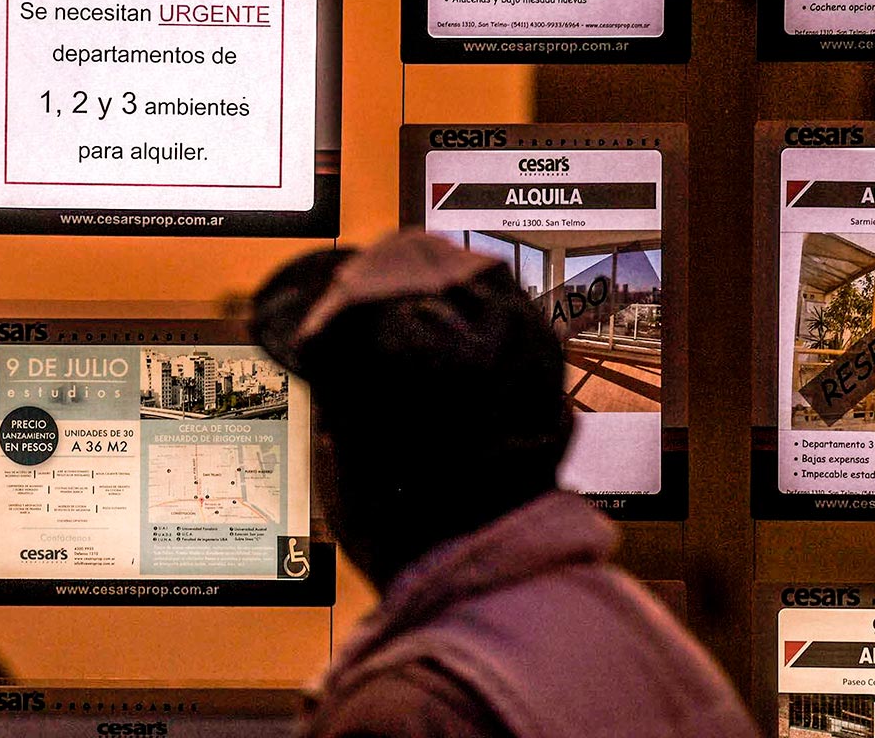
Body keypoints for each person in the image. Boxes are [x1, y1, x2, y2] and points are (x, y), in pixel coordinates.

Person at [249, 231, 759, 738]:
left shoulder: (412, 710)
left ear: (371, 460)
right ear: (559, 430)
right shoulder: (633, 627)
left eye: (328, 425)